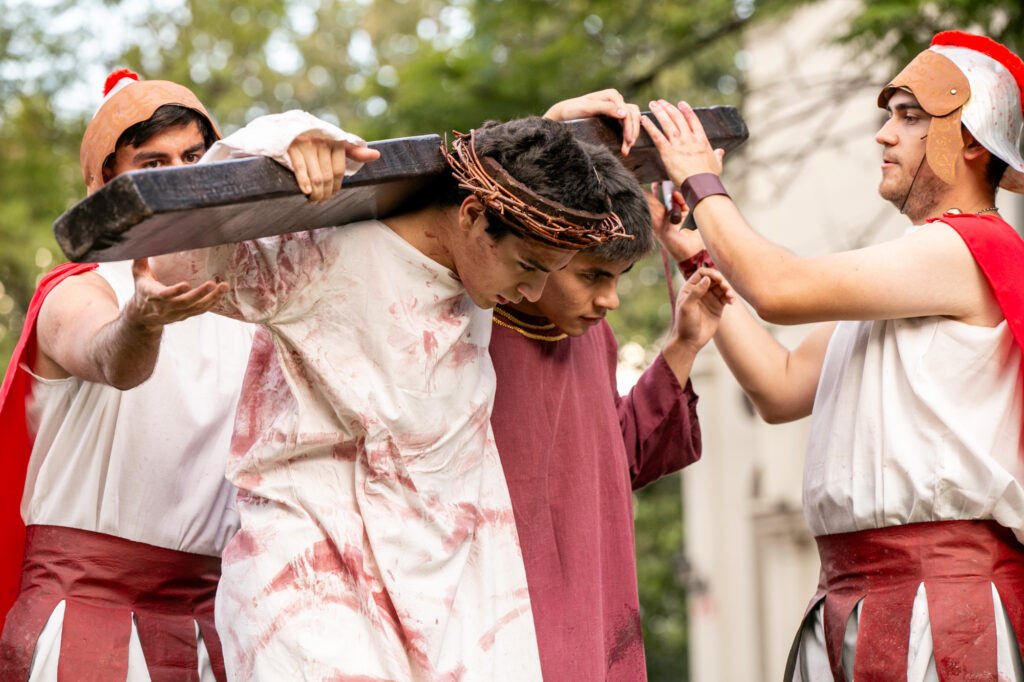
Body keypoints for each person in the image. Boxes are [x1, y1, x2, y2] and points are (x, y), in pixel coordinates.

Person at [150, 108, 633, 680]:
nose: (532, 292)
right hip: (311, 597)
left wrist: (559, 127)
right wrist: (274, 140)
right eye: (527, 267)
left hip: (440, 605)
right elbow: (172, 263)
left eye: (551, 272)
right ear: (472, 216)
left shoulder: (488, 263)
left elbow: (506, 169)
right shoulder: (327, 253)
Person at [643, 31, 1024, 680]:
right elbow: (779, 385)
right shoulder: (910, 276)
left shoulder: (965, 249)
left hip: (942, 605)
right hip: (852, 597)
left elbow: (777, 289)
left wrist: (700, 181)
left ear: (969, 141)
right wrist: (694, 254)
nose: (883, 135)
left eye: (909, 116)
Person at [0, 70, 356, 681]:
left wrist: (304, 143)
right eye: (153, 163)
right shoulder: (77, 292)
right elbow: (111, 357)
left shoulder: (249, 303)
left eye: (194, 157)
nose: (180, 176)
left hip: (215, 622)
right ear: (105, 183)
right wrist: (142, 320)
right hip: (82, 619)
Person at [486, 89, 731, 680]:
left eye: (618, 279)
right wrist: (548, 131)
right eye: (593, 276)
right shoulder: (468, 319)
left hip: (594, 607)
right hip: (499, 611)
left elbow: (613, 459)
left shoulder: (594, 336)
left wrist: (682, 347)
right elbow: (479, 201)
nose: (610, 300)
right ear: (540, 251)